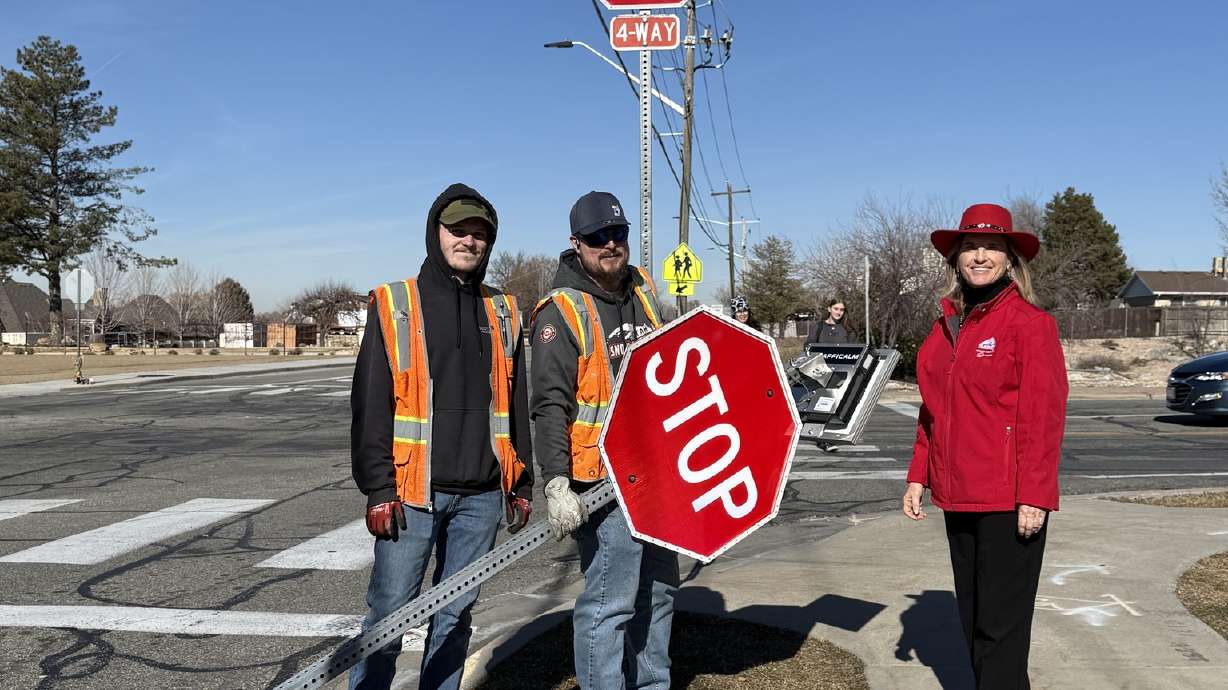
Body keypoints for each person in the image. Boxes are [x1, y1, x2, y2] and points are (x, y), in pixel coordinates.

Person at [349, 183, 534, 690]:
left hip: (481, 499)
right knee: (387, 619)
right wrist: (378, 488)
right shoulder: (396, 303)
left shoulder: (503, 311)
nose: (468, 241)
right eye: (458, 231)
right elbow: (370, 405)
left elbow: (515, 405)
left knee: (454, 619)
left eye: (479, 234)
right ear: (436, 233)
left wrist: (522, 483)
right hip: (412, 497)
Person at [901, 202, 1067, 689]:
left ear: (1010, 259)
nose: (979, 256)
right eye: (970, 246)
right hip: (957, 495)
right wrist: (918, 474)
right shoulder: (945, 326)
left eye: (991, 247)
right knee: (973, 620)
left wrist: (1034, 494)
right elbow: (932, 411)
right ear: (956, 258)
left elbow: (1043, 416)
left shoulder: (1030, 326)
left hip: (1008, 499)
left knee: (1002, 629)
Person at [530, 190, 679, 690]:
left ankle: (652, 685)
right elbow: (550, 405)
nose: (610, 244)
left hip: (656, 471)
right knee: (610, 603)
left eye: (618, 234)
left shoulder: (640, 291)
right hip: (603, 483)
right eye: (598, 238)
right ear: (577, 243)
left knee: (659, 591)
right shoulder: (560, 311)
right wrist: (556, 483)